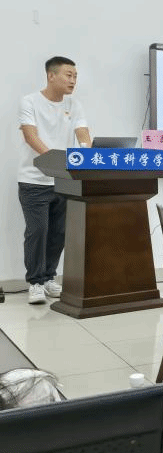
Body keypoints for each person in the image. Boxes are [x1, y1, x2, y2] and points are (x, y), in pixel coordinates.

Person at [18, 56, 92, 304]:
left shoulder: (74, 104)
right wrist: (54, 161)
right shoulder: (29, 101)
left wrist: (86, 151)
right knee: (38, 231)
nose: (73, 80)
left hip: (64, 180)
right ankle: (35, 282)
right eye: (68, 75)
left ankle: (49, 277)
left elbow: (83, 133)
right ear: (51, 75)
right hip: (33, 180)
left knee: (59, 232)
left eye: (75, 76)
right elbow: (30, 136)